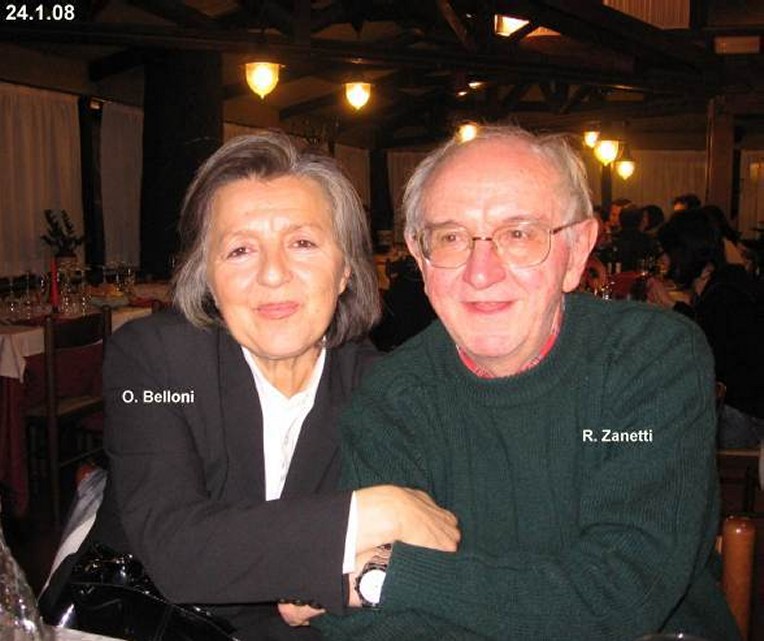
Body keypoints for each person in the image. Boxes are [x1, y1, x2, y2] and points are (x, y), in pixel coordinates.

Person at [302, 125, 738, 640]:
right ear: (420, 258)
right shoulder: (392, 398)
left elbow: (624, 590)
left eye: (519, 234)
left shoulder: (648, 357)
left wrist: (393, 576)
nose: (481, 272)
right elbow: (361, 627)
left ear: (577, 251)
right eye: (451, 237)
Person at [40, 132, 459, 641]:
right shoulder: (153, 362)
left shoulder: (381, 387)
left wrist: (340, 579)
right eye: (240, 250)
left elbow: (434, 548)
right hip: (135, 621)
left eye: (302, 243)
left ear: (346, 268)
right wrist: (374, 511)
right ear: (208, 279)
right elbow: (177, 550)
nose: (273, 274)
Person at [647, 209, 764, 449]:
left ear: (685, 254)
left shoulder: (725, 297)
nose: (664, 261)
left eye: (668, 253)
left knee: (655, 429)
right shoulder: (727, 281)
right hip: (742, 407)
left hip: (744, 417)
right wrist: (673, 306)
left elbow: (703, 357)